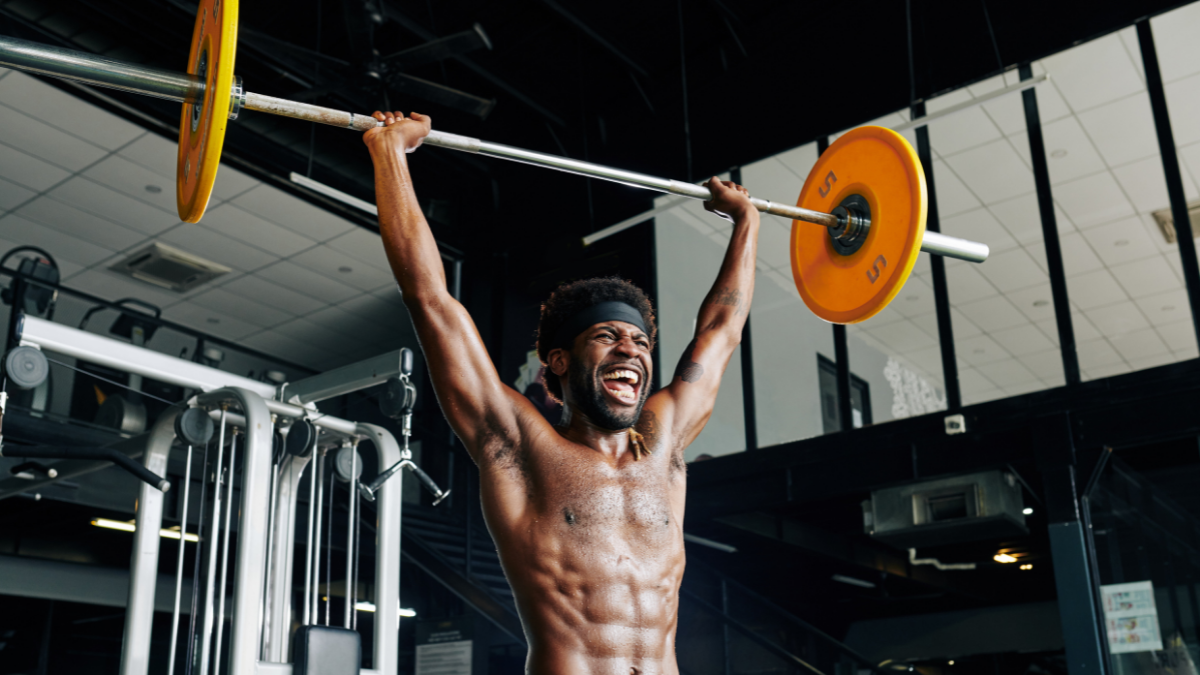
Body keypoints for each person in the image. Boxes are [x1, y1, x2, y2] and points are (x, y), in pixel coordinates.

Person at [365, 110, 760, 675]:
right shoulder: (520, 446)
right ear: (558, 361)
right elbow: (432, 301)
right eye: (607, 337)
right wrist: (391, 156)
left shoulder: (665, 441)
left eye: (641, 342)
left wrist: (746, 221)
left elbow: (722, 331)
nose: (632, 350)